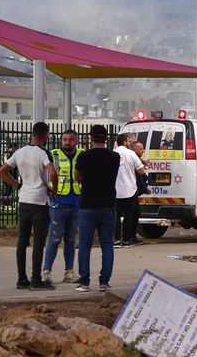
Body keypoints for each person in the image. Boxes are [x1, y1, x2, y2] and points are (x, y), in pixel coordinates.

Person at [0, 122, 58, 291]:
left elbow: (2, 171)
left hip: (23, 201)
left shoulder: (20, 152)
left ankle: (21, 279)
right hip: (40, 202)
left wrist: (17, 185)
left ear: (33, 133)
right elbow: (53, 172)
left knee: (22, 241)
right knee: (38, 242)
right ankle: (36, 279)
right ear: (45, 135)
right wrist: (54, 189)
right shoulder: (43, 153)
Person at [74, 125, 120, 292]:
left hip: (88, 205)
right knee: (107, 245)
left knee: (85, 245)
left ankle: (84, 282)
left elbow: (77, 176)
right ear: (106, 138)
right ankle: (104, 282)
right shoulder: (115, 157)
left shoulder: (84, 157)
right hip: (108, 205)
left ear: (90, 138)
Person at [41, 129, 83, 285]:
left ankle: (69, 272)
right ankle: (46, 272)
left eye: (71, 139)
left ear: (76, 140)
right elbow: (45, 174)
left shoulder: (82, 154)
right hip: (58, 202)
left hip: (76, 202)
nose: (67, 142)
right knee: (54, 238)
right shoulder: (54, 154)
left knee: (71, 240)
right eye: (64, 139)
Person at [114, 134, 146, 247]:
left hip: (115, 190)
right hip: (129, 190)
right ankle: (127, 240)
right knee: (129, 216)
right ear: (125, 141)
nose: (129, 143)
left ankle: (117, 240)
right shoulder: (131, 154)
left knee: (116, 216)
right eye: (128, 141)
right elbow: (141, 171)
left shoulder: (112, 153)